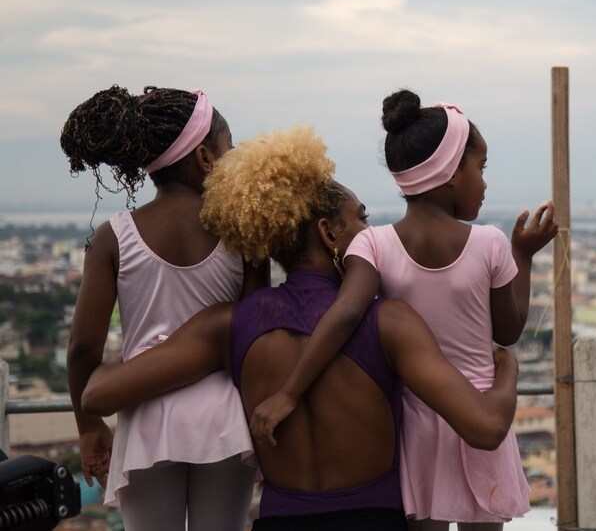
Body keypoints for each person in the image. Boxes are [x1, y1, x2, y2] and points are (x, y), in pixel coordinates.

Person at [80, 126, 521, 531]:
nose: (371, 230)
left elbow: (96, 394)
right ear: (329, 233)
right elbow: (485, 428)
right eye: (361, 218)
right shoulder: (388, 321)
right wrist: (508, 370)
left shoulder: (229, 324)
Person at [246, 89, 557, 529]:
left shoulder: (374, 243)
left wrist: (289, 393)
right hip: (483, 407)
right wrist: (522, 257)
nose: (484, 183)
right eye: (479, 168)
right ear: (450, 173)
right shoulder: (489, 243)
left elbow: (346, 313)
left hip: (415, 427)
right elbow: (508, 332)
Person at [61, 86, 268, 530]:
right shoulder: (243, 232)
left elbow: (81, 348)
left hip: (145, 416)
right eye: (228, 148)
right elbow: (255, 338)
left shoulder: (114, 236)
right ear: (205, 158)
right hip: (224, 422)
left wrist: (89, 425)